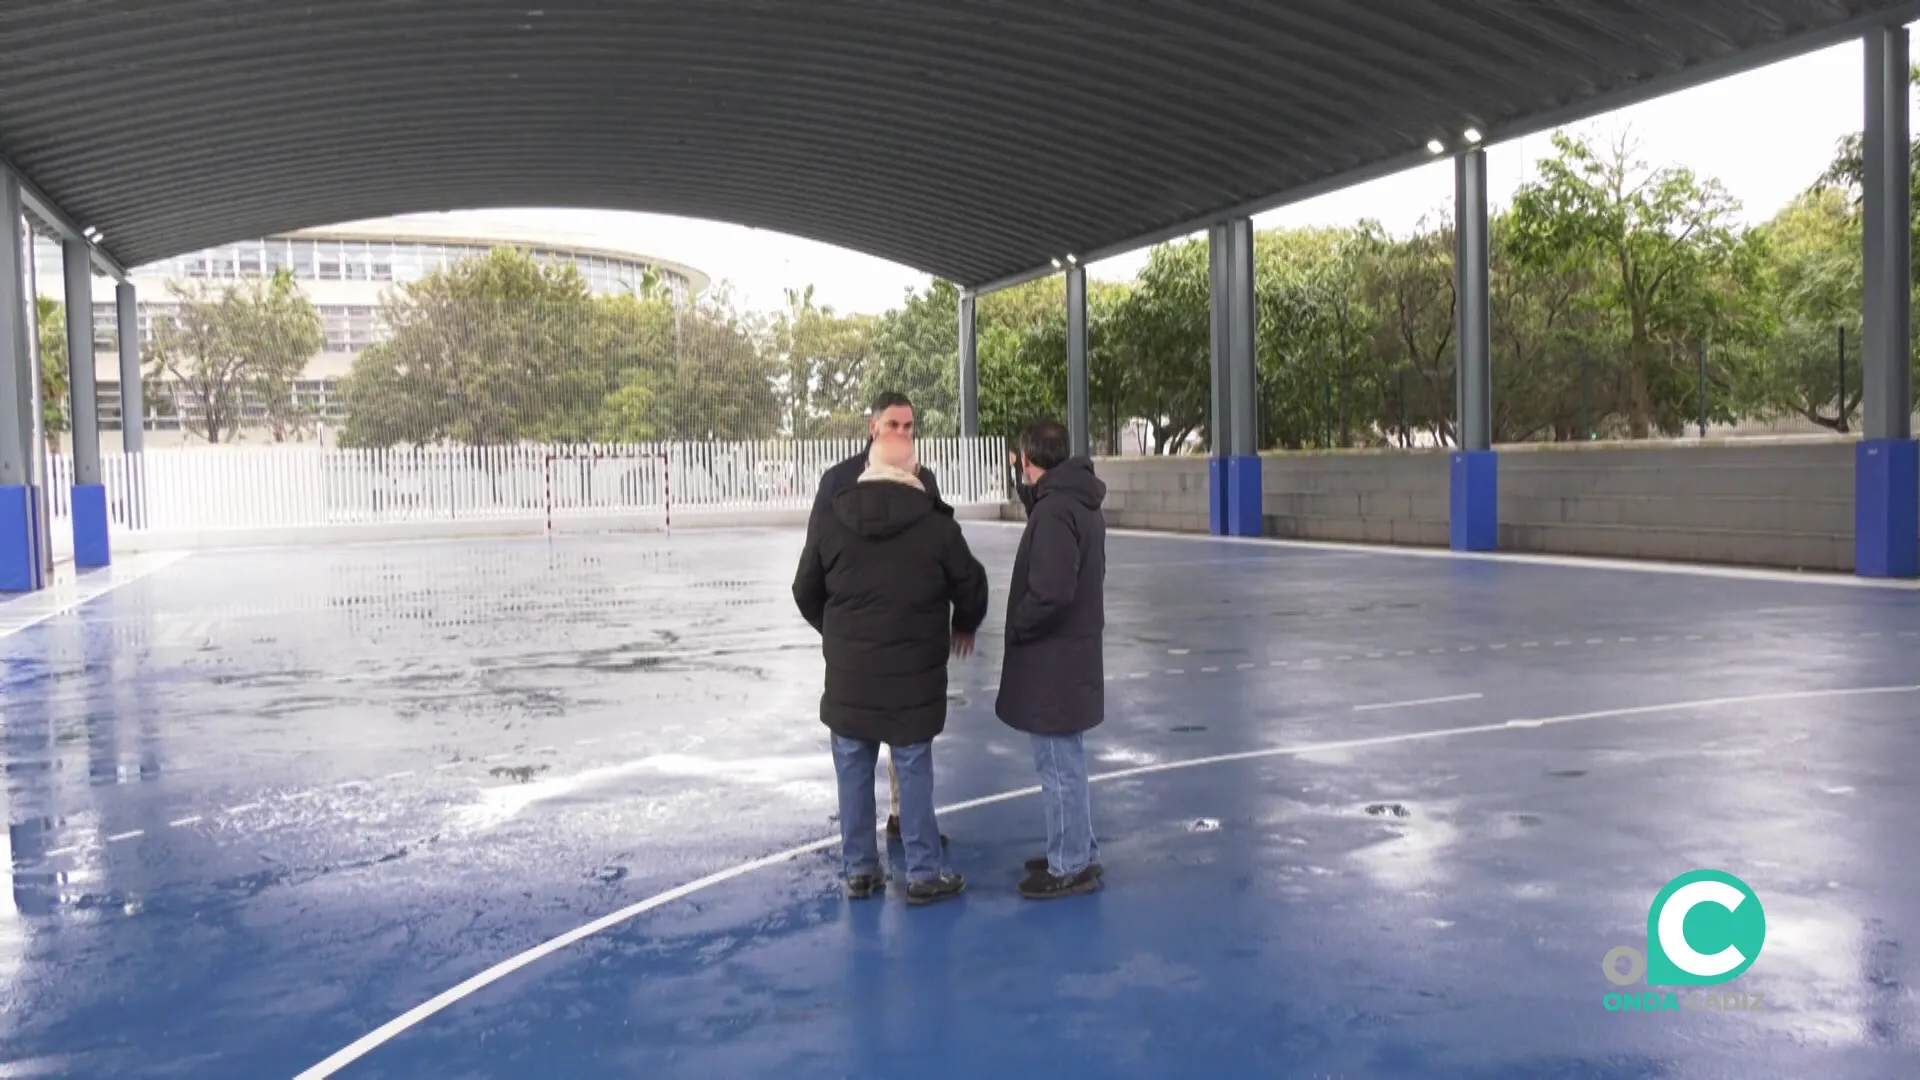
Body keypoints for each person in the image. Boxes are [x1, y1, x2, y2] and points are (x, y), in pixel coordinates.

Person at [793, 433, 989, 905]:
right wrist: (963, 623)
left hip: (849, 676)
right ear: (913, 473)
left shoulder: (832, 520)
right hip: (913, 678)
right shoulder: (937, 526)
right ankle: (923, 875)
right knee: (914, 768)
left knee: (853, 769)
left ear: (867, 469)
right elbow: (972, 585)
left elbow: (804, 589)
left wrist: (835, 633)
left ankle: (861, 870)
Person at [805, 390, 946, 842]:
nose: (902, 434)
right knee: (859, 747)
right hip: (859, 646)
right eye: (893, 426)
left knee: (906, 741)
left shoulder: (926, 481)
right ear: (873, 428)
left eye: (909, 426)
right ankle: (866, 857)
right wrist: (838, 630)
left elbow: (944, 557)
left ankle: (906, 820)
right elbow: (813, 569)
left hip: (907, 644)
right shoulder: (838, 482)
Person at [994, 419, 1108, 900]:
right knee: (1067, 761)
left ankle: (1070, 864)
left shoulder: (1056, 512)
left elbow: (1053, 591)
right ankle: (1077, 847)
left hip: (1054, 661)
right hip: (1072, 655)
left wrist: (1021, 621)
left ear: (1025, 458)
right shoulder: (1075, 503)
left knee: (1059, 765)